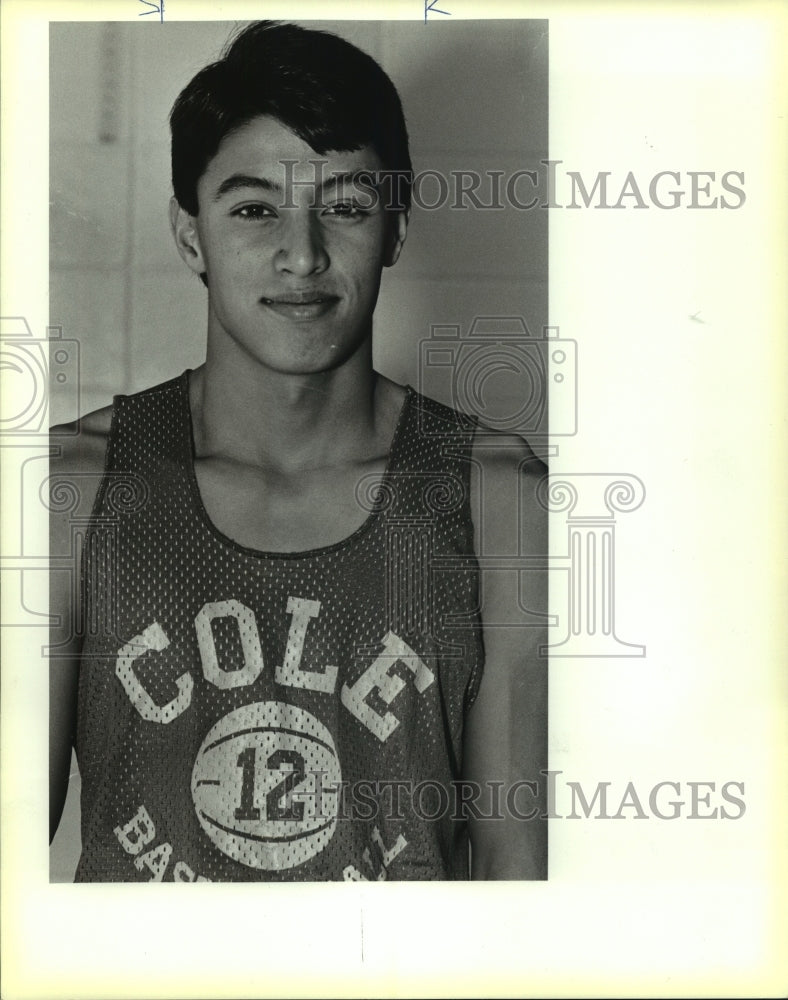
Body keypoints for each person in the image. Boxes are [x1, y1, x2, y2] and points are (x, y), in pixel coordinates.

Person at [49, 20, 547, 881]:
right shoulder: (70, 490)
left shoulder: (497, 501)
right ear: (189, 232)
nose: (302, 254)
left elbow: (519, 871)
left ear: (394, 227)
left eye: (346, 208)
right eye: (253, 210)